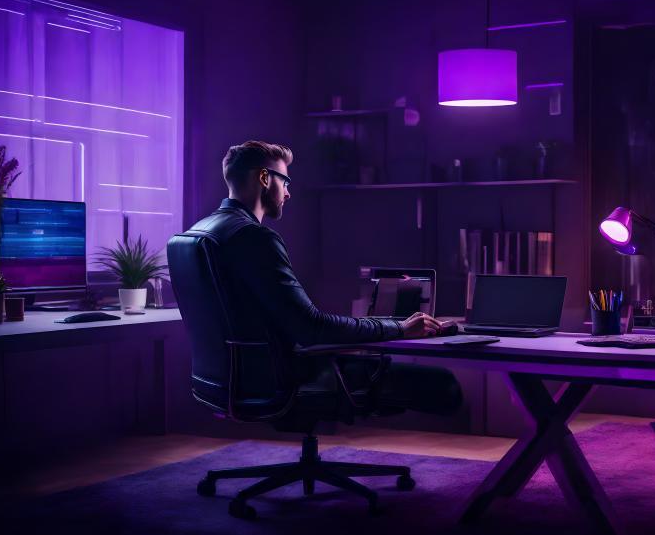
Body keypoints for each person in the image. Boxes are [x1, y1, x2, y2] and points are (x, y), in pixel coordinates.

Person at [182, 140, 462, 415]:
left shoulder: (200, 233)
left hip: (223, 382)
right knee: (444, 385)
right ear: (265, 178)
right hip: (281, 382)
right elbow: (311, 328)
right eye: (285, 182)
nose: (288, 193)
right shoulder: (255, 238)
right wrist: (399, 329)